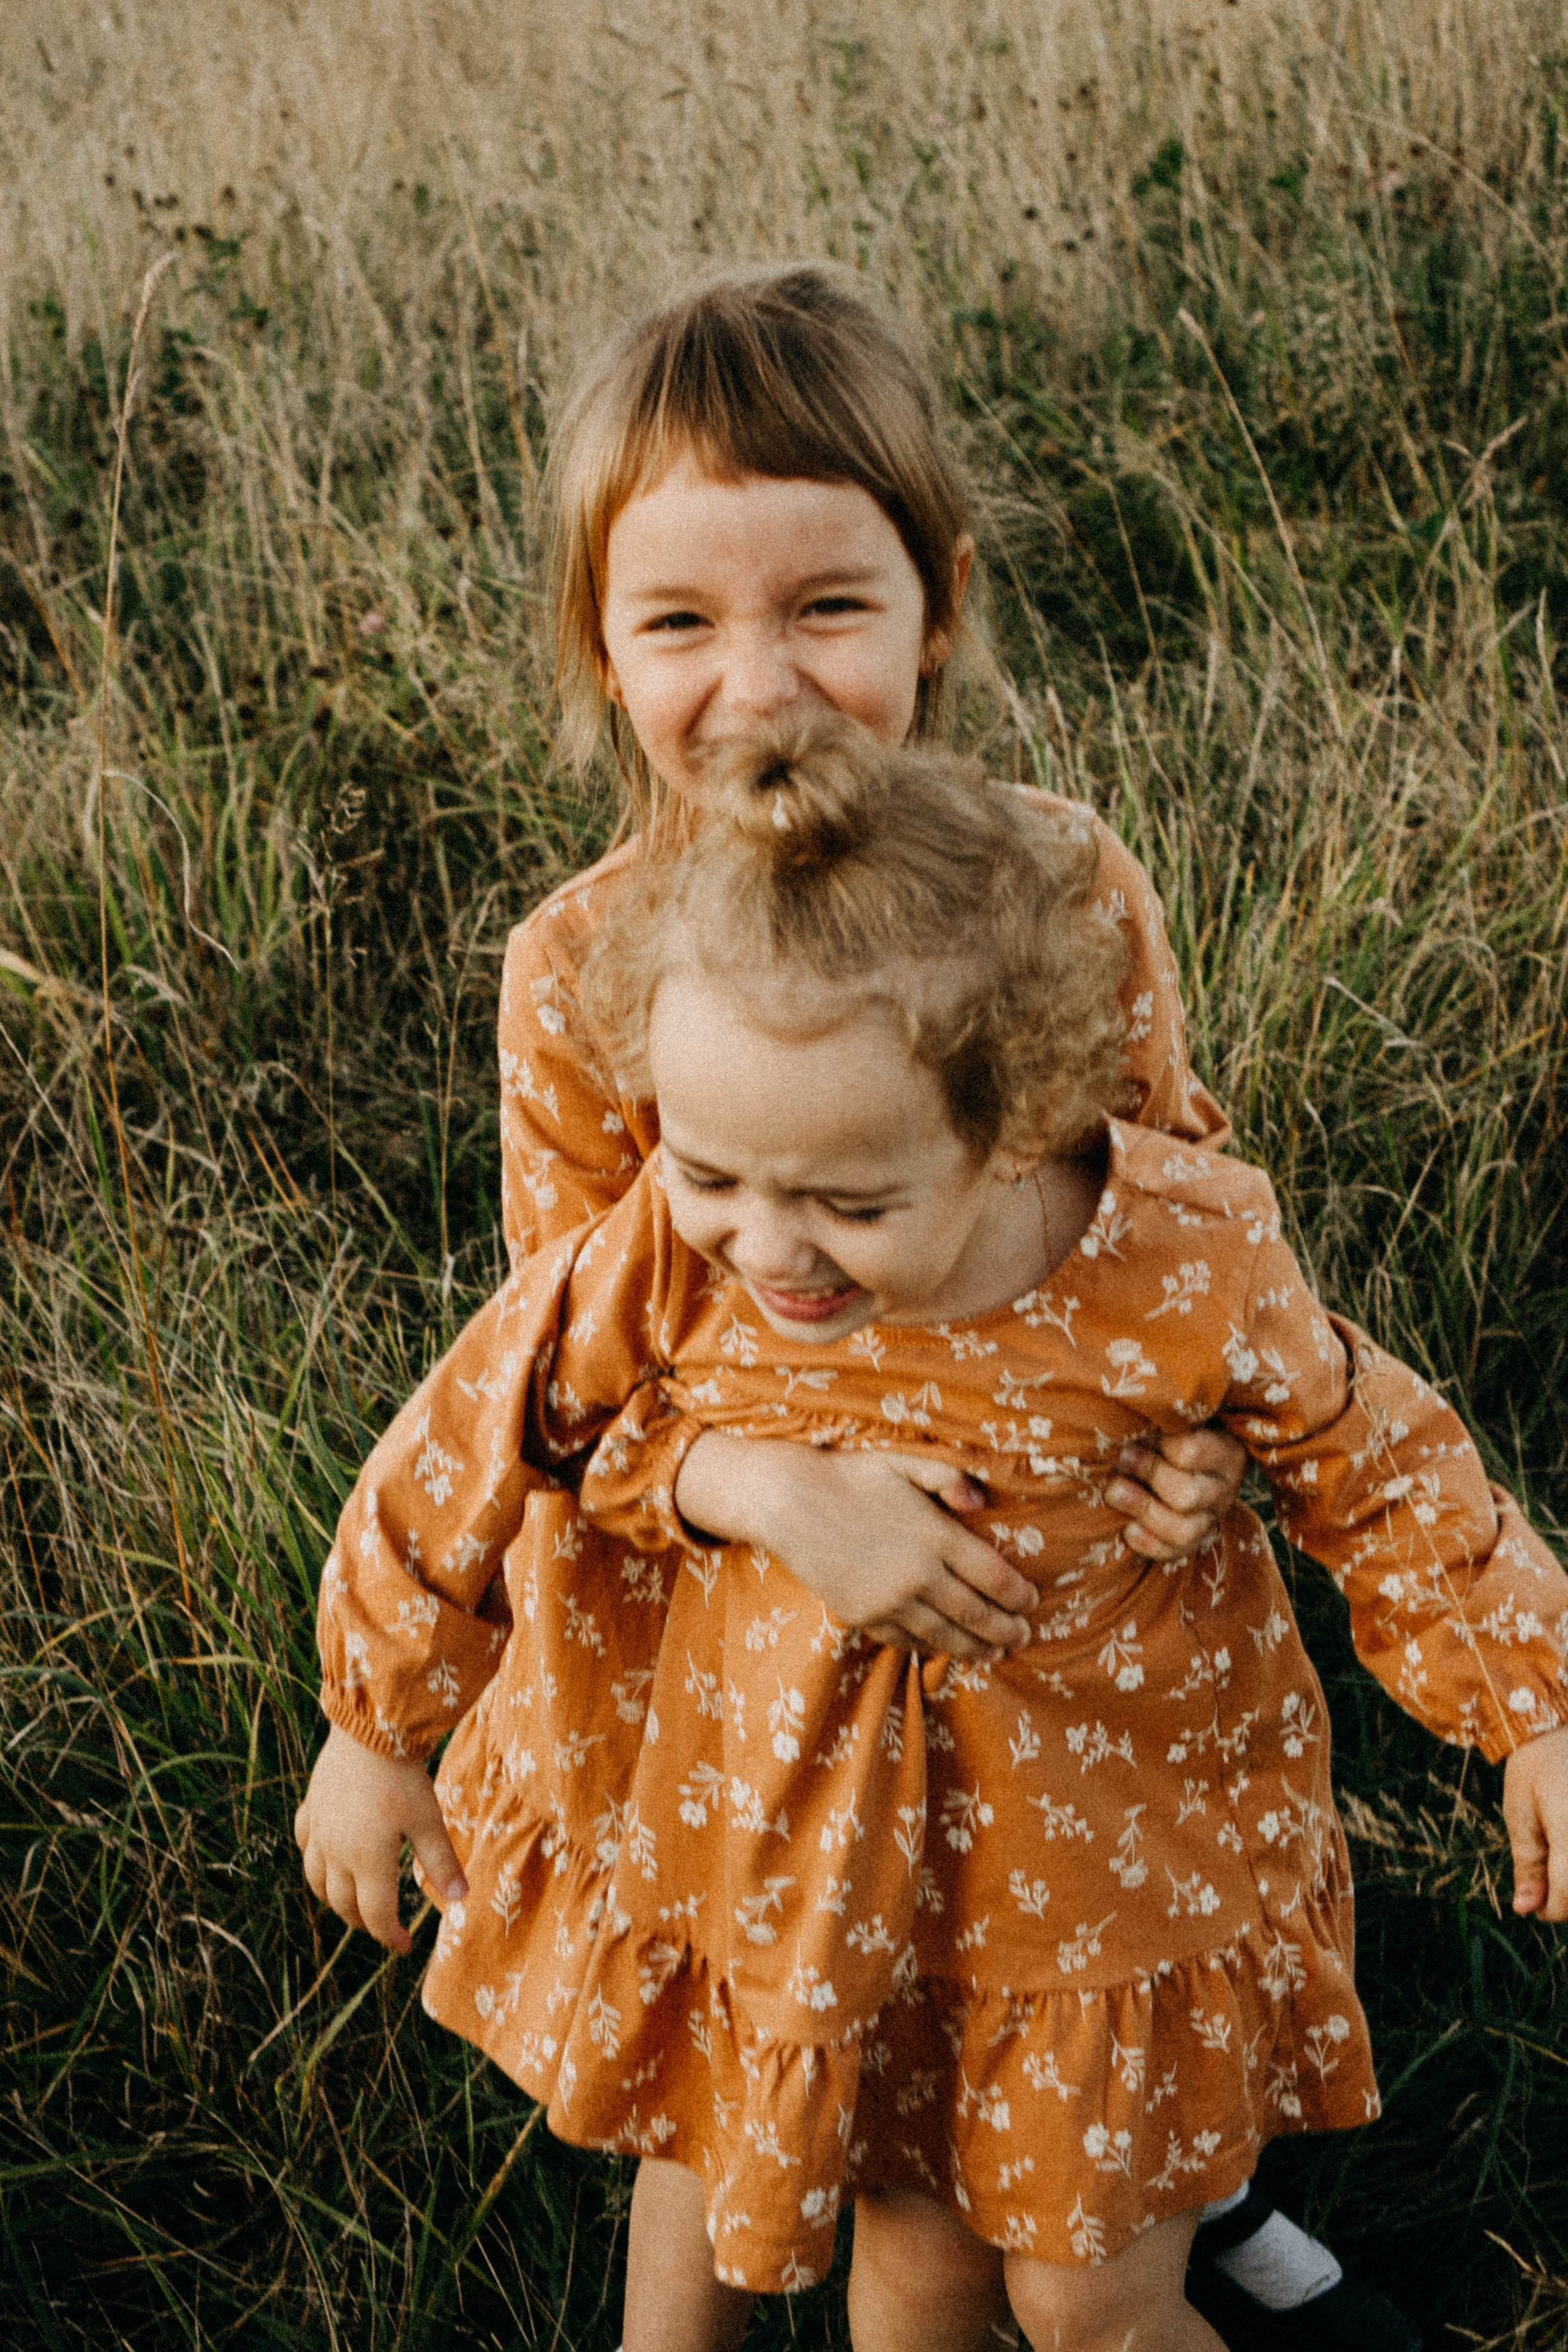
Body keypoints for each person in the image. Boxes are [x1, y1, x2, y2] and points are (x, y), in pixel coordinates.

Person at [296, 265, 1433, 2346]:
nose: (765, 681)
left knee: (1014, 1990)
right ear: (600, 647)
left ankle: (1150, 2192)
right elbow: (551, 1376)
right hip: (731, 1640)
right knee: (738, 2035)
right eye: (681, 622)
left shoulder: (1060, 882)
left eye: (831, 603)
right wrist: (767, 1489)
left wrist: (1193, 1443)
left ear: (940, 603)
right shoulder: (582, 972)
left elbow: (1164, 1208)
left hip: (1059, 1630)